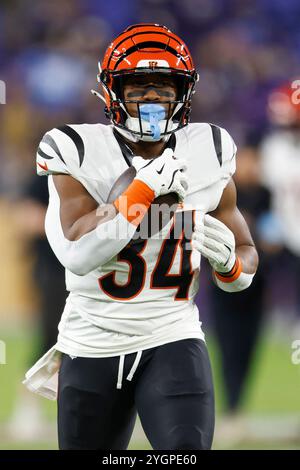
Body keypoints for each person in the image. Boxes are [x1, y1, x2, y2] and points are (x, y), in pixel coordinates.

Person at [23, 23, 258, 450]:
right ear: (112, 91)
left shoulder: (211, 148)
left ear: (183, 92)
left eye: (164, 86)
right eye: (137, 86)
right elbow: (77, 253)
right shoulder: (74, 148)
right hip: (91, 341)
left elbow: (244, 254)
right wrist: (141, 192)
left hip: (172, 333)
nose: (152, 97)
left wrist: (233, 266)